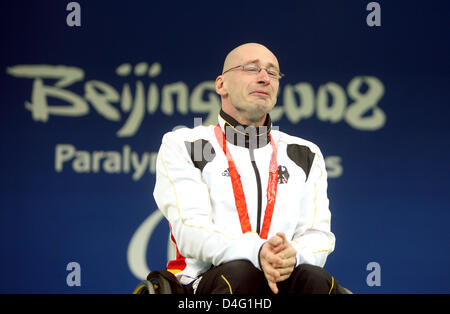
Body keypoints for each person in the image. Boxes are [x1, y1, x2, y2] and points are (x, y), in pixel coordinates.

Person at [153, 43, 344, 294]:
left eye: (273, 72)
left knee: (316, 280)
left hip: (281, 276)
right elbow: (190, 231)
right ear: (221, 85)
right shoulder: (187, 144)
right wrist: (257, 251)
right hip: (205, 280)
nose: (264, 78)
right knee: (240, 276)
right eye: (251, 68)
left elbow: (318, 235)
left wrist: (291, 256)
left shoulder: (304, 153)